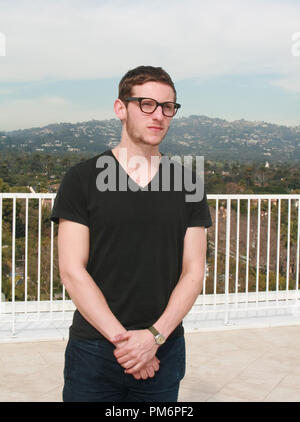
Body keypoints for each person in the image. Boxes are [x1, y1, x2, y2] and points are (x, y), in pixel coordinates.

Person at [50, 65, 212, 402]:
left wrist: (153, 337)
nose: (159, 115)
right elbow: (71, 269)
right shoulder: (82, 179)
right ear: (120, 108)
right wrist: (127, 343)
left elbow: (194, 271)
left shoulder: (188, 183)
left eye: (168, 107)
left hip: (164, 350)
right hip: (94, 350)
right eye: (147, 104)